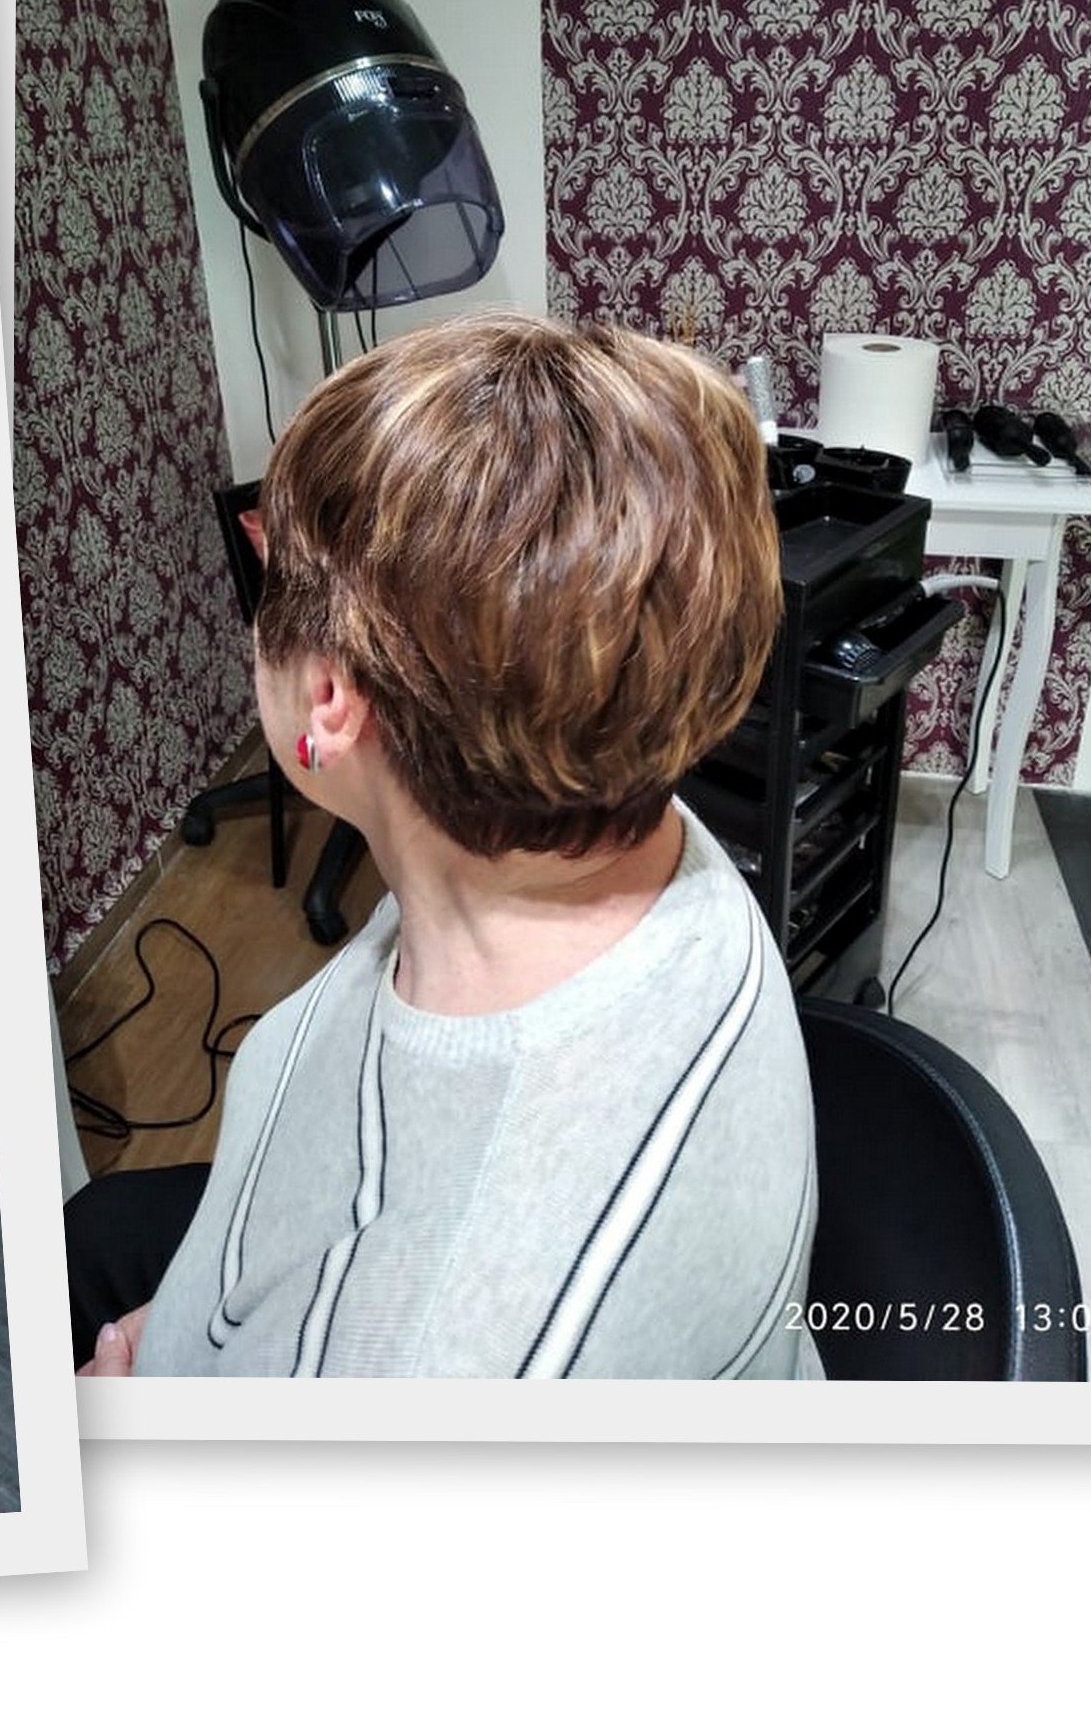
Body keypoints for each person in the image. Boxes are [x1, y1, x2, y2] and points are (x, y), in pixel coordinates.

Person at [69, 313, 820, 1380]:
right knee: (97, 1230)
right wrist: (195, 1316)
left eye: (272, 578)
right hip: (248, 1263)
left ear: (328, 699)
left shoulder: (425, 1354)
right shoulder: (612, 802)